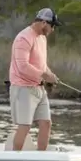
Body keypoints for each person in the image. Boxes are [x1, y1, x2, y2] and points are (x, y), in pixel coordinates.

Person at [8, 8, 62, 151]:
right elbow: (22, 66)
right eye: (52, 26)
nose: (53, 30)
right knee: (25, 126)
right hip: (23, 88)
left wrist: (51, 76)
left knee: (46, 123)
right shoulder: (23, 38)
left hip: (39, 88)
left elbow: (42, 65)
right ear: (44, 23)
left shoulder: (42, 38)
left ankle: (41, 156)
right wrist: (45, 76)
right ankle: (15, 158)